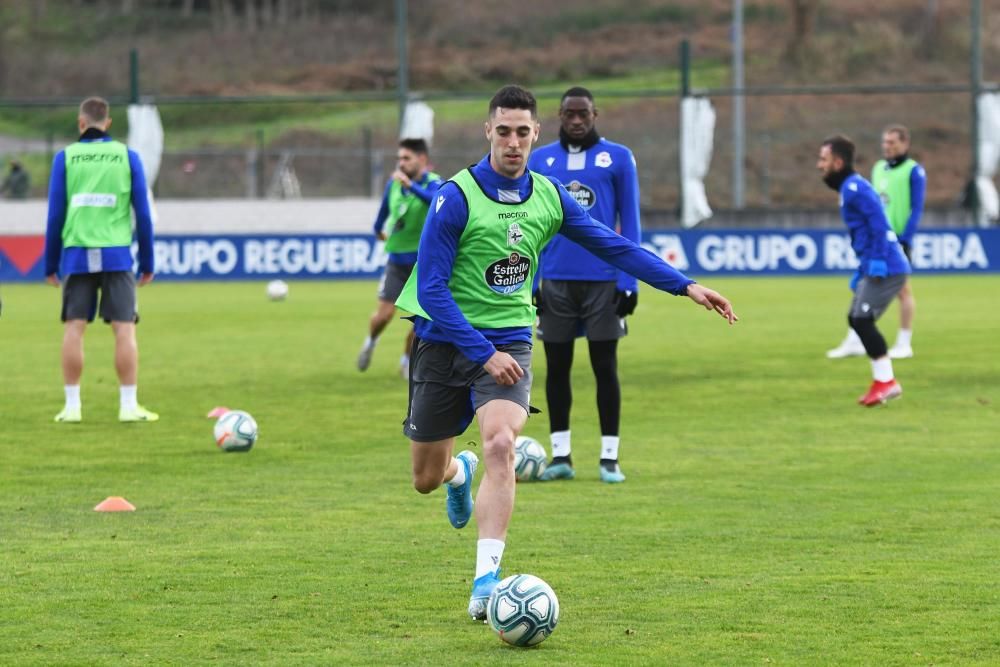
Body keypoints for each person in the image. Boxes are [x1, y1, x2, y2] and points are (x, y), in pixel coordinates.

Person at [394, 85, 738, 621]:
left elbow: (615, 245)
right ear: (488, 131)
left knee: (503, 444)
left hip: (509, 338)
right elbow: (433, 291)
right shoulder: (455, 197)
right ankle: (458, 475)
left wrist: (685, 285)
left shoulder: (550, 196)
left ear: (536, 135)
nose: (513, 142)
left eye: (523, 132)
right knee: (425, 479)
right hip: (445, 340)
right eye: (503, 131)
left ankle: (486, 580)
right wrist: (482, 353)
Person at [525, 86, 639, 484]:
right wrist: (531, 279)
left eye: (583, 114)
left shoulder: (619, 158)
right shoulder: (540, 160)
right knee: (557, 369)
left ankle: (609, 458)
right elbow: (531, 225)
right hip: (555, 280)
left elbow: (632, 221)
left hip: (604, 282)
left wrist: (629, 280)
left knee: (605, 367)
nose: (576, 121)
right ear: (559, 115)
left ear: (595, 114)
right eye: (569, 114)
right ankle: (561, 456)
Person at [44, 96, 158, 423]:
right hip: (117, 254)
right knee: (124, 330)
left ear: (81, 123)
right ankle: (128, 406)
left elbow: (55, 216)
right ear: (107, 123)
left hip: (77, 254)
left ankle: (72, 407)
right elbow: (143, 215)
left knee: (74, 329)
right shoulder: (127, 156)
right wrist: (148, 262)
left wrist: (50, 265)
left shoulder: (65, 158)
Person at [817, 135, 910, 406]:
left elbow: (879, 225)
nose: (819, 165)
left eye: (823, 159)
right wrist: (863, 267)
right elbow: (865, 233)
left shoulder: (855, 188)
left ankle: (886, 382)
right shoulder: (849, 188)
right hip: (876, 264)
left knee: (861, 320)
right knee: (855, 318)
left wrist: (878, 261)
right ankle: (883, 381)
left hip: (888, 267)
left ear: (838, 161)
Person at [826, 124, 925, 359]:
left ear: (905, 144)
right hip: (876, 242)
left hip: (894, 241)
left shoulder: (914, 171)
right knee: (866, 287)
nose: (887, 147)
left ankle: (904, 341)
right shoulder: (878, 168)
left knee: (902, 291)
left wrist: (905, 239)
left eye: (892, 142)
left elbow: (916, 207)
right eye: (885, 142)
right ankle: (856, 339)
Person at [356, 138, 441, 378]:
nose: (401, 163)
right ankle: (370, 342)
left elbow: (434, 201)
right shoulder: (393, 185)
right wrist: (377, 228)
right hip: (396, 261)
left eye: (406, 158)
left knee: (420, 322)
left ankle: (406, 361)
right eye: (399, 159)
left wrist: (410, 185)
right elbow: (383, 210)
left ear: (422, 160)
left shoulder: (436, 184)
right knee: (384, 315)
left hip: (423, 264)